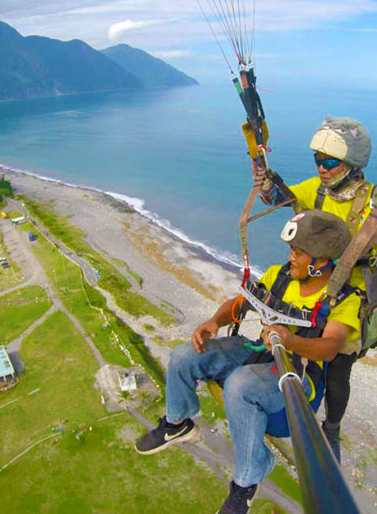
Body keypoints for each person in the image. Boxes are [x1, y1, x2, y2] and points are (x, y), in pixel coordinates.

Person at [135, 210, 361, 514]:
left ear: (321, 263)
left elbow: (331, 346)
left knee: (240, 384)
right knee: (184, 355)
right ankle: (177, 422)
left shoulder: (344, 300)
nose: (290, 257)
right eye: (291, 250)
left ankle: (246, 481)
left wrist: (290, 340)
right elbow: (242, 304)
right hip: (261, 351)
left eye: (298, 252)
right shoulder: (281, 276)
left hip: (299, 372)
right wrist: (214, 321)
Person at [249, 116, 377, 461]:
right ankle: (274, 405)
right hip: (313, 286)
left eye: (329, 162)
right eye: (317, 160)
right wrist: (257, 156)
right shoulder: (315, 191)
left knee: (338, 368)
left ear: (351, 163)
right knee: (283, 345)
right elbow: (272, 198)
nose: (321, 168)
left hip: (352, 297)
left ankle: (331, 427)